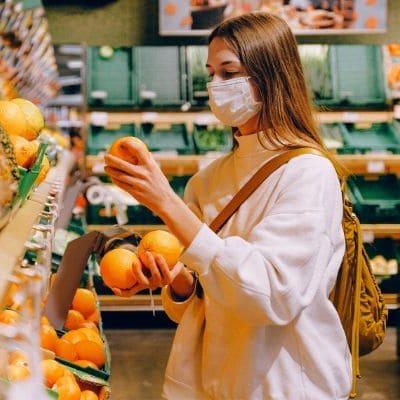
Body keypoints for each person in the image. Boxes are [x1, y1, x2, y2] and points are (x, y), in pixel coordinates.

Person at [103, 12, 351, 400]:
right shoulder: (208, 178)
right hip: (212, 383)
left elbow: (270, 297)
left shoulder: (309, 174)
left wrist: (165, 201)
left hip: (284, 388)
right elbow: (201, 303)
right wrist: (174, 280)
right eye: (211, 73)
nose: (215, 86)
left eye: (229, 73)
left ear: (270, 77)